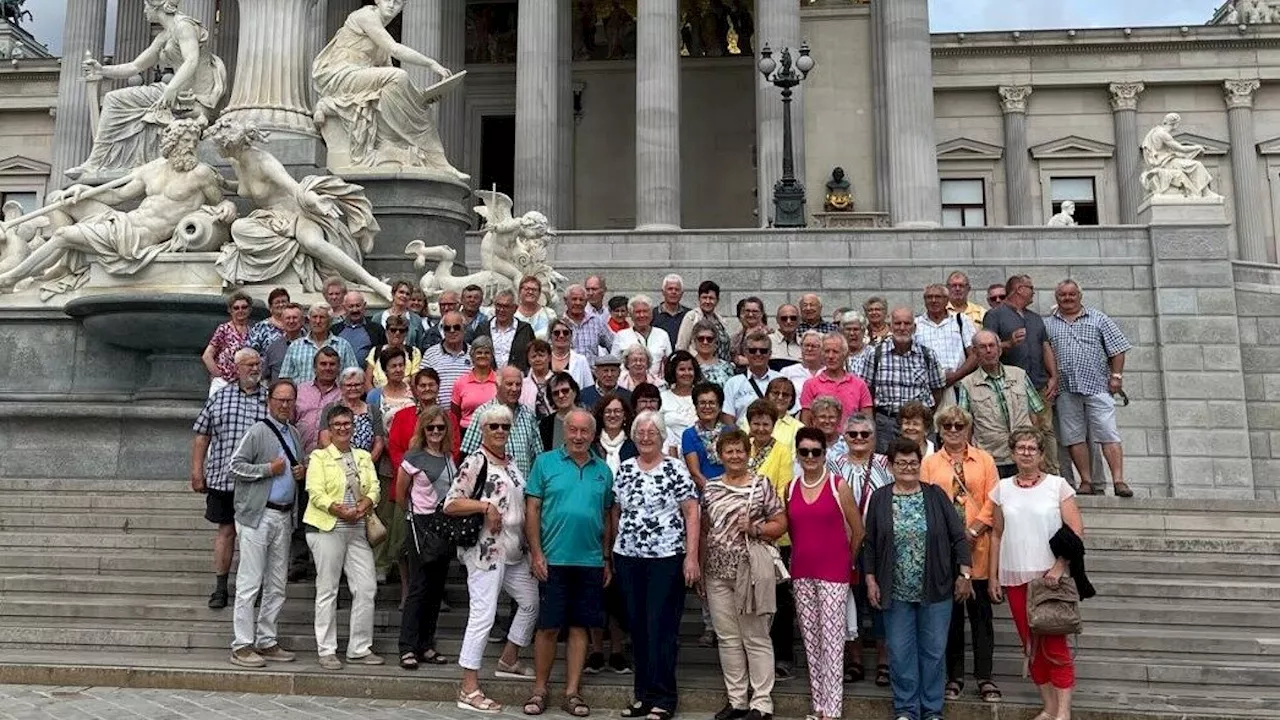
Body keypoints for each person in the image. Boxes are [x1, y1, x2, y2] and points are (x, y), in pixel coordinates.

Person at [864, 438, 973, 720]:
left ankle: (932, 709)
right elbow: (871, 544)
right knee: (900, 652)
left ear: (920, 464)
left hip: (935, 588)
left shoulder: (935, 495)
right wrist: (870, 579)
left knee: (934, 652)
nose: (907, 468)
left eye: (913, 462)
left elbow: (958, 536)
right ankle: (906, 709)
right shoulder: (880, 498)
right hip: (894, 590)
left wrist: (965, 573)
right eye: (901, 463)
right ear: (890, 466)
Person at [447, 406, 541, 712]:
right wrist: (485, 506)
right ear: (483, 429)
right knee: (483, 615)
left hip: (514, 548)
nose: (500, 431)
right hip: (486, 550)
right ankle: (468, 687)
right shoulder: (476, 461)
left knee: (530, 602)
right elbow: (451, 503)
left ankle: (509, 658)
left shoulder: (512, 463)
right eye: (493, 427)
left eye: (504, 426)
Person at [523, 409, 616, 718]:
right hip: (553, 559)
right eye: (572, 430)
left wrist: (605, 558)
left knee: (580, 627)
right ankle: (539, 689)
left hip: (589, 561)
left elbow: (606, 516)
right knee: (548, 626)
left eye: (584, 432)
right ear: (565, 432)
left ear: (592, 435)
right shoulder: (544, 463)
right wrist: (536, 553)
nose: (578, 437)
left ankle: (572, 692)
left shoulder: (603, 470)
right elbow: (532, 509)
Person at [312, 0, 466, 180]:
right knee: (398, 76)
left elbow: (396, 86)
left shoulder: (380, 38)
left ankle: (439, 161)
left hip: (359, 77)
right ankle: (432, 159)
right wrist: (431, 63)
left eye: (398, 2)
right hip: (339, 76)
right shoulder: (365, 16)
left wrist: (420, 97)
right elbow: (395, 51)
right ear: (377, 0)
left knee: (420, 107)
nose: (392, 5)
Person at [989, 428, 1084, 720]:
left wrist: (1058, 568)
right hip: (1015, 577)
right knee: (1030, 645)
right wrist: (993, 576)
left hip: (1049, 580)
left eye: (1032, 448)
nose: (1026, 452)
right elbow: (996, 534)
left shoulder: (1058, 486)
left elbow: (1076, 531)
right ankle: (1049, 706)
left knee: (1055, 645)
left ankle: (1063, 712)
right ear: (1013, 452)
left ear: (1041, 454)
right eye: (1021, 448)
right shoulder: (1001, 489)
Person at [612, 411, 701, 720]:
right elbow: (617, 511)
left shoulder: (676, 469)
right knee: (637, 627)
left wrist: (691, 556)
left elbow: (692, 512)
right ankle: (643, 694)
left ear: (663, 436)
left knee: (660, 627)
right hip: (628, 557)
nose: (646, 437)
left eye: (652, 432)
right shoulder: (624, 469)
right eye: (641, 432)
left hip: (666, 558)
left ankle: (664, 697)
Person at [71, 0, 226, 177]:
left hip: (193, 95)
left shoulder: (184, 26)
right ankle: (100, 161)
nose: (144, 10)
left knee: (113, 100)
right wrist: (101, 69)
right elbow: (135, 67)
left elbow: (192, 60)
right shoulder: (163, 36)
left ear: (157, 6)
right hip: (175, 91)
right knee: (113, 99)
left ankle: (97, 161)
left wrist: (171, 88)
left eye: (146, 5)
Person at [701, 429, 787, 720]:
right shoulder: (710, 488)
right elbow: (704, 530)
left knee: (756, 637)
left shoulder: (761, 485)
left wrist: (757, 529)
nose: (735, 456)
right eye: (729, 451)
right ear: (720, 455)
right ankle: (737, 700)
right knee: (727, 638)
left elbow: (781, 522)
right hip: (716, 572)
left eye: (740, 450)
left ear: (747, 454)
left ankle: (762, 703)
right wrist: (701, 568)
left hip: (750, 572)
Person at [920, 406, 1002, 704]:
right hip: (944, 551)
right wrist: (952, 537)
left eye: (959, 426)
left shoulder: (985, 460)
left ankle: (985, 677)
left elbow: (994, 499)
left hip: (979, 547)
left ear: (968, 428)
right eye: (948, 426)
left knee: (981, 618)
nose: (953, 431)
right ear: (939, 431)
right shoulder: (929, 463)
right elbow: (925, 499)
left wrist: (975, 529)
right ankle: (954, 677)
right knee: (951, 618)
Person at [225, 378, 303, 668]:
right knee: (249, 582)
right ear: (269, 400)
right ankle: (242, 644)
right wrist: (267, 469)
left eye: (289, 400)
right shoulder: (258, 431)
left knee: (276, 583)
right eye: (280, 399)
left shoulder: (294, 434)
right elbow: (234, 465)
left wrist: (299, 471)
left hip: (284, 514)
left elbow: (297, 467)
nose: (285, 404)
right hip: (258, 514)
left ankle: (267, 640)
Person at [788, 427, 865, 720]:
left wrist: (847, 561)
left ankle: (832, 710)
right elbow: (795, 532)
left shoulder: (837, 485)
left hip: (834, 573)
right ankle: (818, 706)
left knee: (833, 641)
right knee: (811, 640)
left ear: (824, 454)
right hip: (802, 572)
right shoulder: (790, 487)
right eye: (804, 451)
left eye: (816, 451)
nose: (810, 456)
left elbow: (858, 530)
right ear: (798, 453)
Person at [304, 405, 383, 670]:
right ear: (329, 427)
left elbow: (374, 487)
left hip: (358, 527)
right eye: (337, 424)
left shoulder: (362, 456)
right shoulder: (319, 457)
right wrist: (336, 508)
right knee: (327, 589)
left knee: (366, 587)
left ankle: (359, 648)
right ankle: (326, 650)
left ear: (353, 426)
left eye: (347, 423)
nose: (342, 428)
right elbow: (314, 491)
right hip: (328, 528)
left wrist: (365, 504)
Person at [191, 348, 267, 610]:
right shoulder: (220, 397)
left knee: (254, 536)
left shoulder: (270, 399)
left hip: (258, 482)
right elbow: (202, 435)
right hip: (223, 479)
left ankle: (252, 586)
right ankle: (221, 587)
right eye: (249, 365)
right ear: (237, 369)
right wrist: (197, 471)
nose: (254, 369)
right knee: (226, 532)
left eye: (257, 364)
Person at [1045, 279, 1132, 497]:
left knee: (1108, 433)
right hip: (1066, 388)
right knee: (1074, 437)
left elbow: (1117, 349)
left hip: (1097, 386)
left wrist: (1116, 376)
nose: (1067, 298)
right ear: (1056, 298)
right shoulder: (1048, 324)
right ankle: (1086, 481)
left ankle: (1119, 481)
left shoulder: (1098, 318)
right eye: (1062, 295)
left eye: (1071, 294)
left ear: (1079, 296)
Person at [826, 413, 892, 683]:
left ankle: (884, 661)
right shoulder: (834, 463)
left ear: (874, 438)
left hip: (878, 545)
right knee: (848, 601)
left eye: (865, 434)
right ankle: (853, 659)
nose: (859, 439)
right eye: (853, 434)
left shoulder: (885, 463)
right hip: (842, 544)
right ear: (844, 437)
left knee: (879, 602)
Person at [396, 406, 457, 669]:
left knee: (435, 587)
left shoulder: (448, 457)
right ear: (423, 429)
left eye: (440, 428)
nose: (434, 432)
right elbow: (400, 494)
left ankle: (427, 644)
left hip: (443, 524)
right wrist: (415, 517)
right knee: (418, 587)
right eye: (430, 427)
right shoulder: (413, 457)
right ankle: (407, 646)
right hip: (419, 523)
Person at [982, 275, 1059, 473]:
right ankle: (1024, 472)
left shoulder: (1034, 318)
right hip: (1012, 386)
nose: (1033, 291)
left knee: (1046, 430)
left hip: (1039, 383)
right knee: (1023, 432)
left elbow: (1045, 346)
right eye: (1030, 288)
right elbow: (988, 347)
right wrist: (1009, 343)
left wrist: (1054, 377)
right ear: (1019, 289)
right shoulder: (995, 315)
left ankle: (1050, 473)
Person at [744, 399, 799, 680]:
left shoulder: (782, 452)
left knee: (778, 598)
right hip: (743, 535)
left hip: (775, 535)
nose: (761, 427)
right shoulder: (744, 448)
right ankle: (753, 657)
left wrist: (761, 523)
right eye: (756, 423)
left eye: (766, 423)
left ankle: (783, 656)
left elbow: (781, 491)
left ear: (774, 424)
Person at [960, 330, 1048, 478]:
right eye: (983, 347)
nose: (988, 350)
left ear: (999, 349)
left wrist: (1035, 448)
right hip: (990, 459)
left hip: (1023, 457)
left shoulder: (1019, 375)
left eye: (992, 345)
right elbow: (965, 426)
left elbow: (1036, 414)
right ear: (975, 351)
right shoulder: (967, 384)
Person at [860, 308, 946, 453]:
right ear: (890, 326)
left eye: (907, 323)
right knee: (887, 468)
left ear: (914, 327)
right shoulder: (875, 354)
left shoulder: (927, 355)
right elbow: (868, 390)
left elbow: (937, 389)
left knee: (923, 467)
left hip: (919, 424)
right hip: (886, 424)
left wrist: (924, 414)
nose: (902, 328)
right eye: (898, 323)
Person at [463, 366, 546, 478]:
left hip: (524, 489)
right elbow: (468, 454)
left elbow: (538, 456)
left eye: (518, 384)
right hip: (492, 491)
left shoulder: (528, 415)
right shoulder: (483, 413)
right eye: (509, 384)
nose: (514, 389)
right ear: (497, 385)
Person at [915, 284, 978, 404]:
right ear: (924, 300)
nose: (933, 300)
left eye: (938, 297)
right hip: (927, 389)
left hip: (958, 386)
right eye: (929, 297)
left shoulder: (961, 320)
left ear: (946, 300)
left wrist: (956, 375)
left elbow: (974, 355)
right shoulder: (916, 324)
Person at [800, 333, 873, 427]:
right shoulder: (810, 385)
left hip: (851, 439)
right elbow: (806, 422)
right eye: (827, 351)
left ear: (845, 355)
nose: (830, 356)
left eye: (835, 352)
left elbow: (867, 422)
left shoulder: (859, 385)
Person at [279, 304, 358, 383]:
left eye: (322, 317)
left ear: (330, 321)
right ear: (309, 320)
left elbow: (353, 375)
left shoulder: (343, 345)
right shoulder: (295, 346)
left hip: (335, 394)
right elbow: (285, 378)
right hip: (301, 394)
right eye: (314, 317)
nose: (318, 321)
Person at [723, 330, 785, 422]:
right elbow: (728, 416)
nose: (758, 354)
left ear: (770, 354)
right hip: (743, 435)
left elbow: (790, 412)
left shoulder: (781, 380)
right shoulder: (733, 383)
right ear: (745, 353)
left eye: (763, 351)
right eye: (753, 350)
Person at [682, 382, 735, 491]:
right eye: (702, 403)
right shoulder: (689, 434)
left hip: (733, 488)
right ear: (696, 407)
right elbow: (695, 472)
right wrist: (714, 492)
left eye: (712, 403)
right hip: (706, 491)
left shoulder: (731, 432)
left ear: (720, 407)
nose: (707, 407)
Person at [201, 292, 253, 397]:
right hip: (224, 383)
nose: (240, 310)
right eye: (236, 308)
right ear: (230, 310)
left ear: (249, 309)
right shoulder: (224, 329)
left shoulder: (253, 331)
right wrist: (219, 376)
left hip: (244, 384)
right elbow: (207, 355)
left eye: (244, 307)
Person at [473, 289, 535, 371]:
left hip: (516, 380)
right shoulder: (482, 329)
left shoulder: (525, 330)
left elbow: (532, 355)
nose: (501, 310)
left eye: (506, 306)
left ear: (515, 308)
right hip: (488, 380)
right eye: (498, 305)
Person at [421, 311, 473, 406]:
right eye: (447, 328)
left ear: (464, 329)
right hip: (437, 415)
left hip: (467, 413)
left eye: (456, 327)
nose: (452, 331)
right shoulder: (430, 354)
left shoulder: (473, 353)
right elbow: (421, 384)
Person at [451, 337, 499, 436]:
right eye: (479, 352)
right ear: (472, 356)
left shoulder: (499, 381)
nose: (483, 355)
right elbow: (455, 414)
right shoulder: (461, 382)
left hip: (495, 432)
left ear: (492, 356)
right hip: (466, 432)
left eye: (487, 352)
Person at [613, 295, 674, 371]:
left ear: (651, 314)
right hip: (628, 382)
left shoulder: (662, 334)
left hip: (656, 381)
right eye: (637, 312)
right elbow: (614, 365)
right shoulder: (621, 335)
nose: (642, 315)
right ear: (631, 315)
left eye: (645, 311)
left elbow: (669, 363)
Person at [675, 280, 732, 362]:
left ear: (717, 300)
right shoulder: (691, 317)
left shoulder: (721, 321)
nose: (708, 301)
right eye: (704, 297)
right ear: (699, 299)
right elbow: (681, 347)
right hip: (699, 367)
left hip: (722, 367)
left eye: (711, 298)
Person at [739, 378, 803, 450]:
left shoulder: (798, 428)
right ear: (767, 395)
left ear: (791, 400)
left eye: (785, 395)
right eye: (776, 393)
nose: (780, 397)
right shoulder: (749, 420)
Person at [367, 347, 416, 436]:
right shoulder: (374, 396)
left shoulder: (415, 392)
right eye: (393, 366)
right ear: (385, 370)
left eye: (401, 365)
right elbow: (373, 428)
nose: (398, 370)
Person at [337, 291, 389, 372]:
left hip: (367, 379)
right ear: (344, 308)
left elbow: (384, 354)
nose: (355, 310)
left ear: (364, 306)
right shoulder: (335, 330)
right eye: (351, 306)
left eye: (358, 306)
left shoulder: (376, 329)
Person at [365, 314, 421, 389]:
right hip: (379, 395)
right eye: (393, 330)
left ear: (406, 333)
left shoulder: (414, 352)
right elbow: (367, 381)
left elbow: (414, 382)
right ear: (386, 331)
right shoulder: (376, 351)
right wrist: (375, 397)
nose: (397, 333)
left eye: (401, 330)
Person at [660, 351, 702, 448]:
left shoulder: (702, 397)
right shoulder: (663, 397)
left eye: (690, 369)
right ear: (673, 371)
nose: (687, 373)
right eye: (682, 369)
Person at [563, 284, 615, 357]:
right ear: (565, 300)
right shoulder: (559, 324)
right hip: (568, 368)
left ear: (586, 301)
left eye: (581, 300)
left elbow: (614, 346)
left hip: (591, 368)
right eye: (574, 299)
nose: (578, 303)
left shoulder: (596, 322)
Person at [593, 394, 638, 474]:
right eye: (608, 411)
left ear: (624, 415)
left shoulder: (634, 445)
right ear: (601, 415)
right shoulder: (592, 444)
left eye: (617, 411)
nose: (612, 415)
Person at [376, 281, 426, 350]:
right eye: (401, 292)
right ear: (393, 294)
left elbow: (419, 345)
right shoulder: (378, 317)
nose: (404, 296)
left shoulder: (416, 319)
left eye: (407, 294)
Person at [549, 317, 595, 391]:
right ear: (550, 336)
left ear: (571, 336)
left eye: (566, 333)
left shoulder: (581, 360)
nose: (561, 336)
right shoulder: (544, 359)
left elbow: (589, 390)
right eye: (557, 333)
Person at [263, 303, 305, 384]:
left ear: (302, 320)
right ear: (282, 321)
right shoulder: (273, 347)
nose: (291, 321)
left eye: (295, 318)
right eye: (288, 318)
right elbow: (265, 376)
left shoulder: (311, 346)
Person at [540, 372, 583, 451]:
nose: (561, 395)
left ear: (574, 391)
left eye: (565, 390)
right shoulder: (545, 424)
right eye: (555, 393)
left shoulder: (588, 419)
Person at [692, 319, 737, 388]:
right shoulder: (689, 366)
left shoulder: (726, 367)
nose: (705, 342)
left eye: (709, 339)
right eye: (701, 339)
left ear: (715, 342)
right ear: (695, 341)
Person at [782, 330, 824, 402]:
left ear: (822, 349)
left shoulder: (828, 371)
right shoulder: (787, 372)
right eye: (806, 345)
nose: (809, 349)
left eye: (814, 346)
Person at [247, 287, 292, 355]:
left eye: (283, 302)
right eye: (277, 302)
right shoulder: (261, 327)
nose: (281, 305)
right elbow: (249, 350)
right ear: (270, 307)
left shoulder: (295, 324)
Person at [729, 297, 770, 368]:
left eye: (755, 311)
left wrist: (747, 361)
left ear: (761, 313)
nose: (750, 314)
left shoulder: (769, 335)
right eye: (747, 311)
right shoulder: (736, 337)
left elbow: (772, 360)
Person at [521, 339, 557, 418]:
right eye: (533, 356)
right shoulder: (522, 384)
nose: (537, 359)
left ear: (549, 357)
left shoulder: (558, 381)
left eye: (541, 355)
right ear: (528, 360)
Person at [516, 275, 556, 340]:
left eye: (534, 290)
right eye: (527, 289)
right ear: (520, 291)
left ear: (539, 293)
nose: (530, 292)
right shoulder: (512, 314)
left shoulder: (549, 314)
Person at [654, 273, 691, 342]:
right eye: (670, 289)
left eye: (677, 289)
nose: (673, 292)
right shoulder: (652, 314)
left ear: (682, 293)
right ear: (663, 292)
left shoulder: (690, 315)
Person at [840, 311, 873, 376]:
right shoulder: (836, 353)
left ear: (863, 331)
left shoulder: (871, 353)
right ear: (842, 331)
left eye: (856, 329)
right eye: (848, 329)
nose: (852, 333)